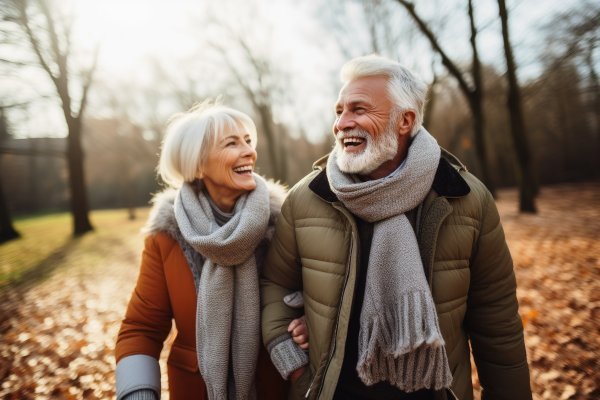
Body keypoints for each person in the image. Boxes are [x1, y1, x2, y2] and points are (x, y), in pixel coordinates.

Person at [260, 55, 532, 400]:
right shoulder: (307, 197)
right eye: (339, 111)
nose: (342, 123)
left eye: (359, 109)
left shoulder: (465, 198)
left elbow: (497, 321)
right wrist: (294, 360)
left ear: (404, 120)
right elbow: (275, 284)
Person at [115, 102, 306, 400]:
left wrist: (307, 320)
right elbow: (142, 328)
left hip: (274, 387)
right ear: (198, 163)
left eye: (248, 141)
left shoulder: (282, 224)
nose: (249, 152)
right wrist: (138, 394)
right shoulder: (167, 236)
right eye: (232, 143)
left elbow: (316, 298)